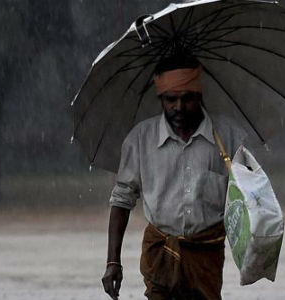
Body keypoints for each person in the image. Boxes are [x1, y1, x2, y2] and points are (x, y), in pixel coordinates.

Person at [101, 55, 245, 300]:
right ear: (160, 98)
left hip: (206, 258)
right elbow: (122, 200)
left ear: (199, 96)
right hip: (160, 256)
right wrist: (113, 261)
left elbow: (248, 201)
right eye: (171, 99)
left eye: (187, 98)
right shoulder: (140, 140)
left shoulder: (230, 138)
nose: (178, 107)